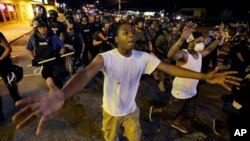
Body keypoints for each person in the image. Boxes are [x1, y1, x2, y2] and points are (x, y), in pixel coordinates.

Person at [12, 23, 241, 141]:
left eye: (132, 32)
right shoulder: (106, 57)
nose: (131, 34)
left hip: (131, 111)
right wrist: (64, 93)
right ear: (116, 38)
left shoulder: (143, 57)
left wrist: (204, 77)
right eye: (125, 32)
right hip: (111, 112)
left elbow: (169, 67)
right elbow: (86, 74)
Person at [27, 17, 68, 88]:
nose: (43, 29)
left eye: (44, 27)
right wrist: (33, 59)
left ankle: (60, 92)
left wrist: (60, 55)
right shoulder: (33, 38)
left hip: (55, 62)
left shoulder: (53, 37)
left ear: (47, 27)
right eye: (40, 27)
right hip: (43, 63)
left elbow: (62, 47)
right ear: (37, 28)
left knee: (57, 79)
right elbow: (29, 49)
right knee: (47, 77)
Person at [0, 32, 21, 123]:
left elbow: (8, 49)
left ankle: (16, 99)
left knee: (10, 84)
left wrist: (0, 59)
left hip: (3, 63)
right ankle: (0, 116)